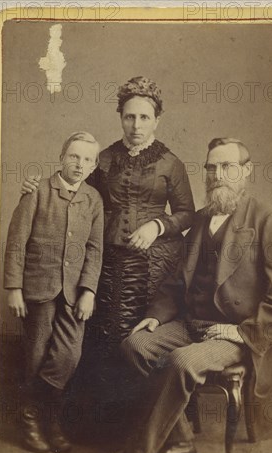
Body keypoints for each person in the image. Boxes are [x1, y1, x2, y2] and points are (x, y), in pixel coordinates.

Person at [90, 137, 272, 453]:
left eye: (227, 167)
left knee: (182, 361)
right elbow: (175, 281)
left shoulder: (268, 219)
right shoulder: (201, 220)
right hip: (192, 323)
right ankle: (181, 444)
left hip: (234, 335)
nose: (218, 175)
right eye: (212, 167)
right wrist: (154, 317)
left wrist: (242, 332)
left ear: (246, 172)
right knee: (134, 346)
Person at [21, 76, 195, 402]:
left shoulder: (171, 163)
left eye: (144, 117)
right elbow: (75, 193)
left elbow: (188, 213)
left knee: (141, 338)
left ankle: (142, 421)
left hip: (153, 269)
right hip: (106, 263)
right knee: (98, 336)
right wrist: (35, 185)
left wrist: (156, 226)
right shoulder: (102, 159)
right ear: (120, 117)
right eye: (129, 116)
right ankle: (98, 421)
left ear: (157, 119)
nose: (136, 125)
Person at [4, 131, 104, 453]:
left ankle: (38, 411)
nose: (80, 164)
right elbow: (17, 241)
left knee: (68, 355)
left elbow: (95, 249)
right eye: (74, 156)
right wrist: (14, 288)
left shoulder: (93, 200)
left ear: (94, 165)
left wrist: (89, 290)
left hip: (74, 292)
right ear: (62, 157)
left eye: (88, 159)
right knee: (36, 351)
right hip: (38, 287)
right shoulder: (38, 192)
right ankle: (38, 421)